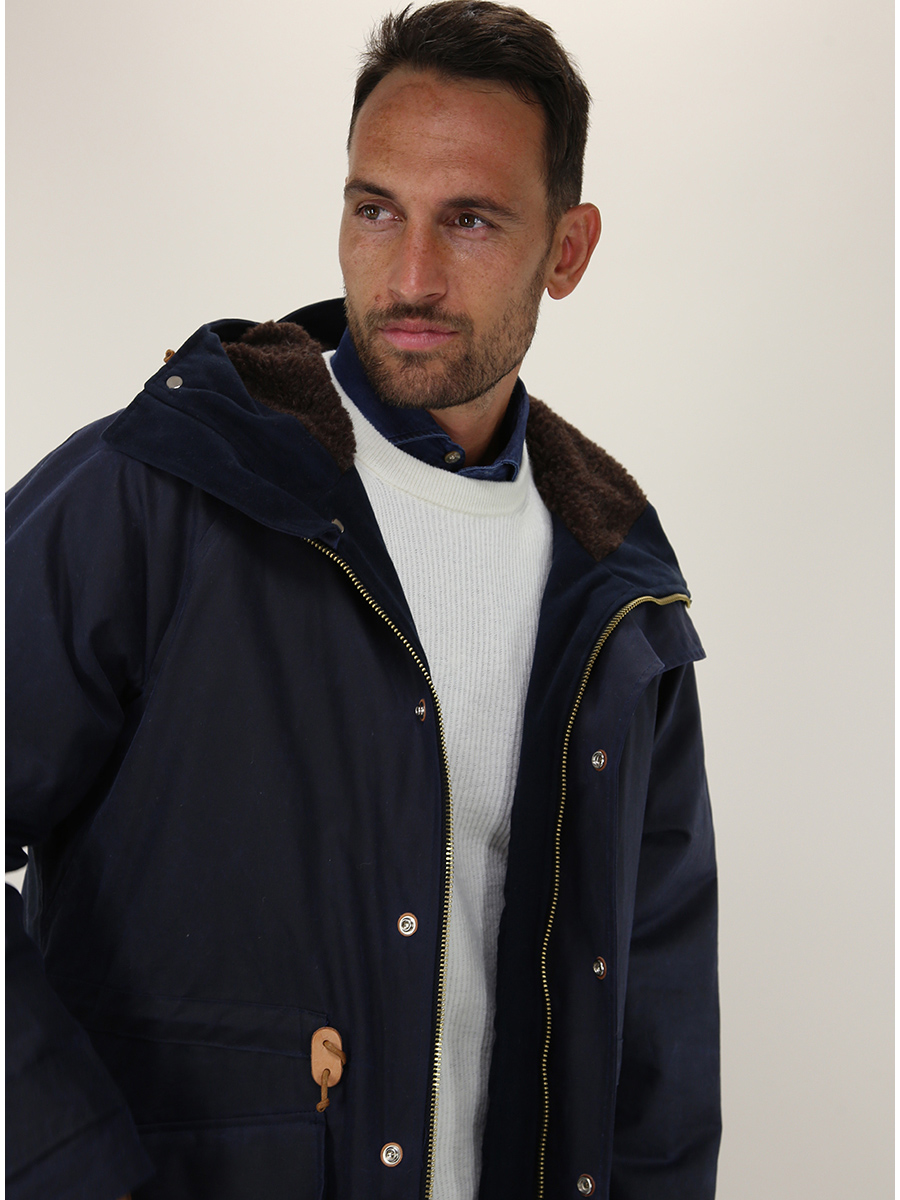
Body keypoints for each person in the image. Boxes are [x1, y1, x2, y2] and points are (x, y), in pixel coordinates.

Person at [5, 2, 720, 1197]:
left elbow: (655, 1046)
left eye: (472, 220)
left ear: (568, 249)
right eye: (376, 209)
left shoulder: (620, 598)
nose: (412, 275)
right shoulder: (164, 489)